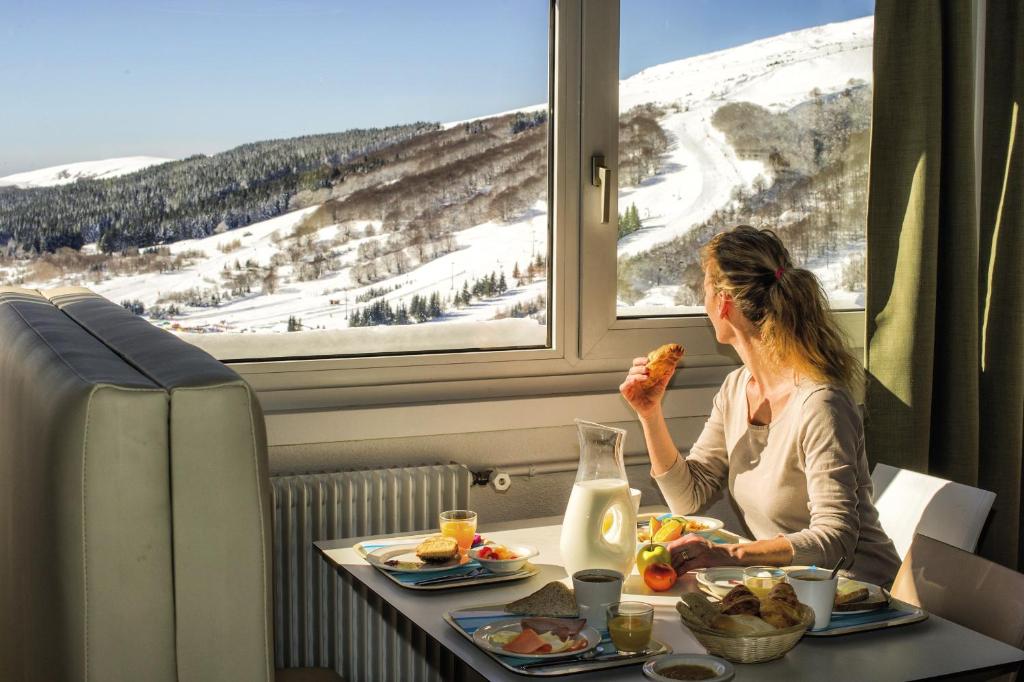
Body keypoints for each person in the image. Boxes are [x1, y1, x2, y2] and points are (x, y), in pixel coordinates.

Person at [620, 225, 899, 586]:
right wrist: (649, 413)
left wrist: (730, 554)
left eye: (704, 290)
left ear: (723, 303)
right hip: (787, 590)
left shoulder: (821, 404)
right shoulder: (737, 388)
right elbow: (687, 497)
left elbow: (836, 542)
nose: (702, 304)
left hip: (857, 596)